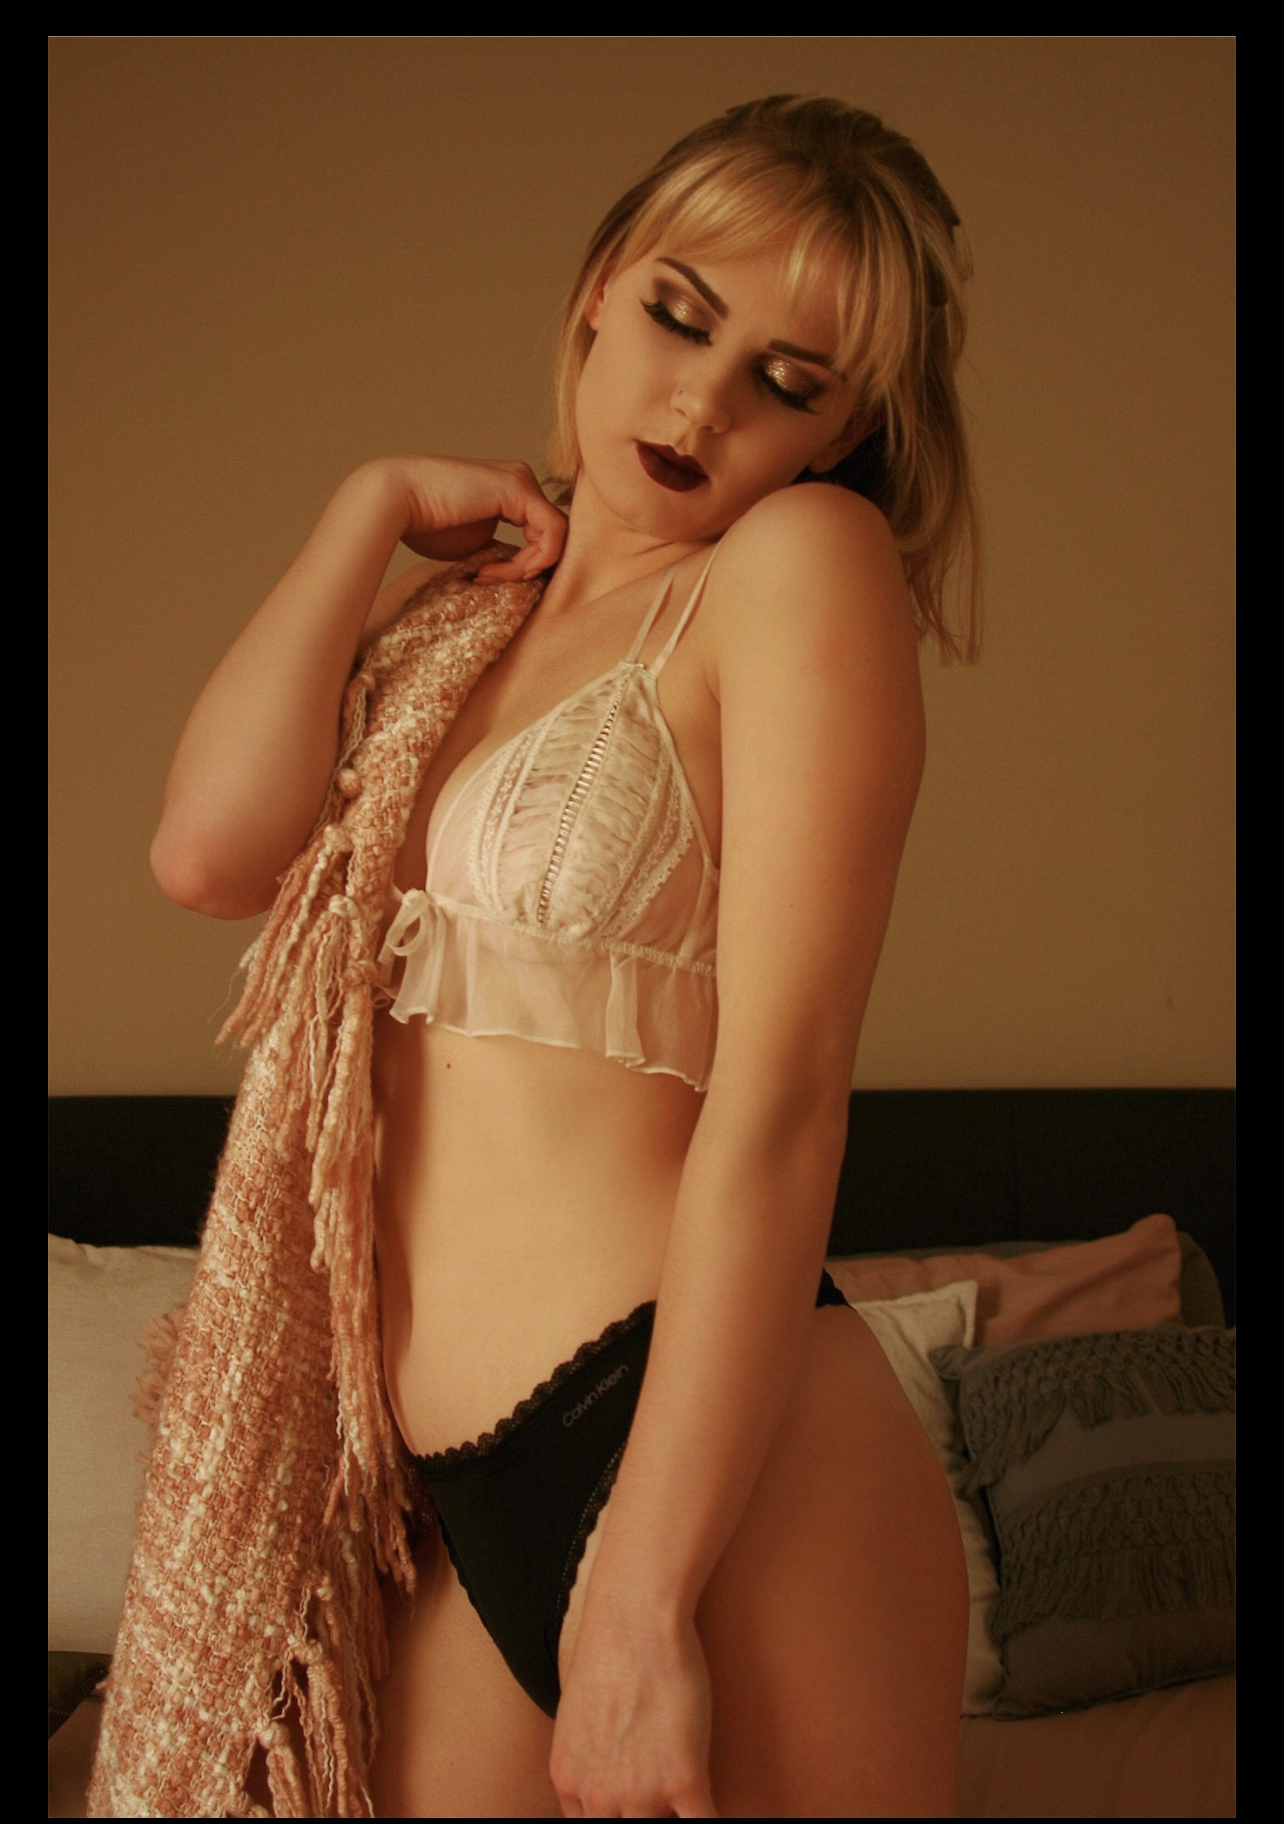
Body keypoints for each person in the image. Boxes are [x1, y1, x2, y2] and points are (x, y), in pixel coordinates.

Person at [148, 94, 979, 1819]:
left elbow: (786, 1101)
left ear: (840, 433)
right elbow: (210, 856)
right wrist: (367, 506)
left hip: (697, 1457)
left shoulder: (795, 567)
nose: (701, 403)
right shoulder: (461, 627)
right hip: (453, 1496)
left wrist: (643, 1600)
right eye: (681, 315)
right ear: (601, 289)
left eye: (786, 381)